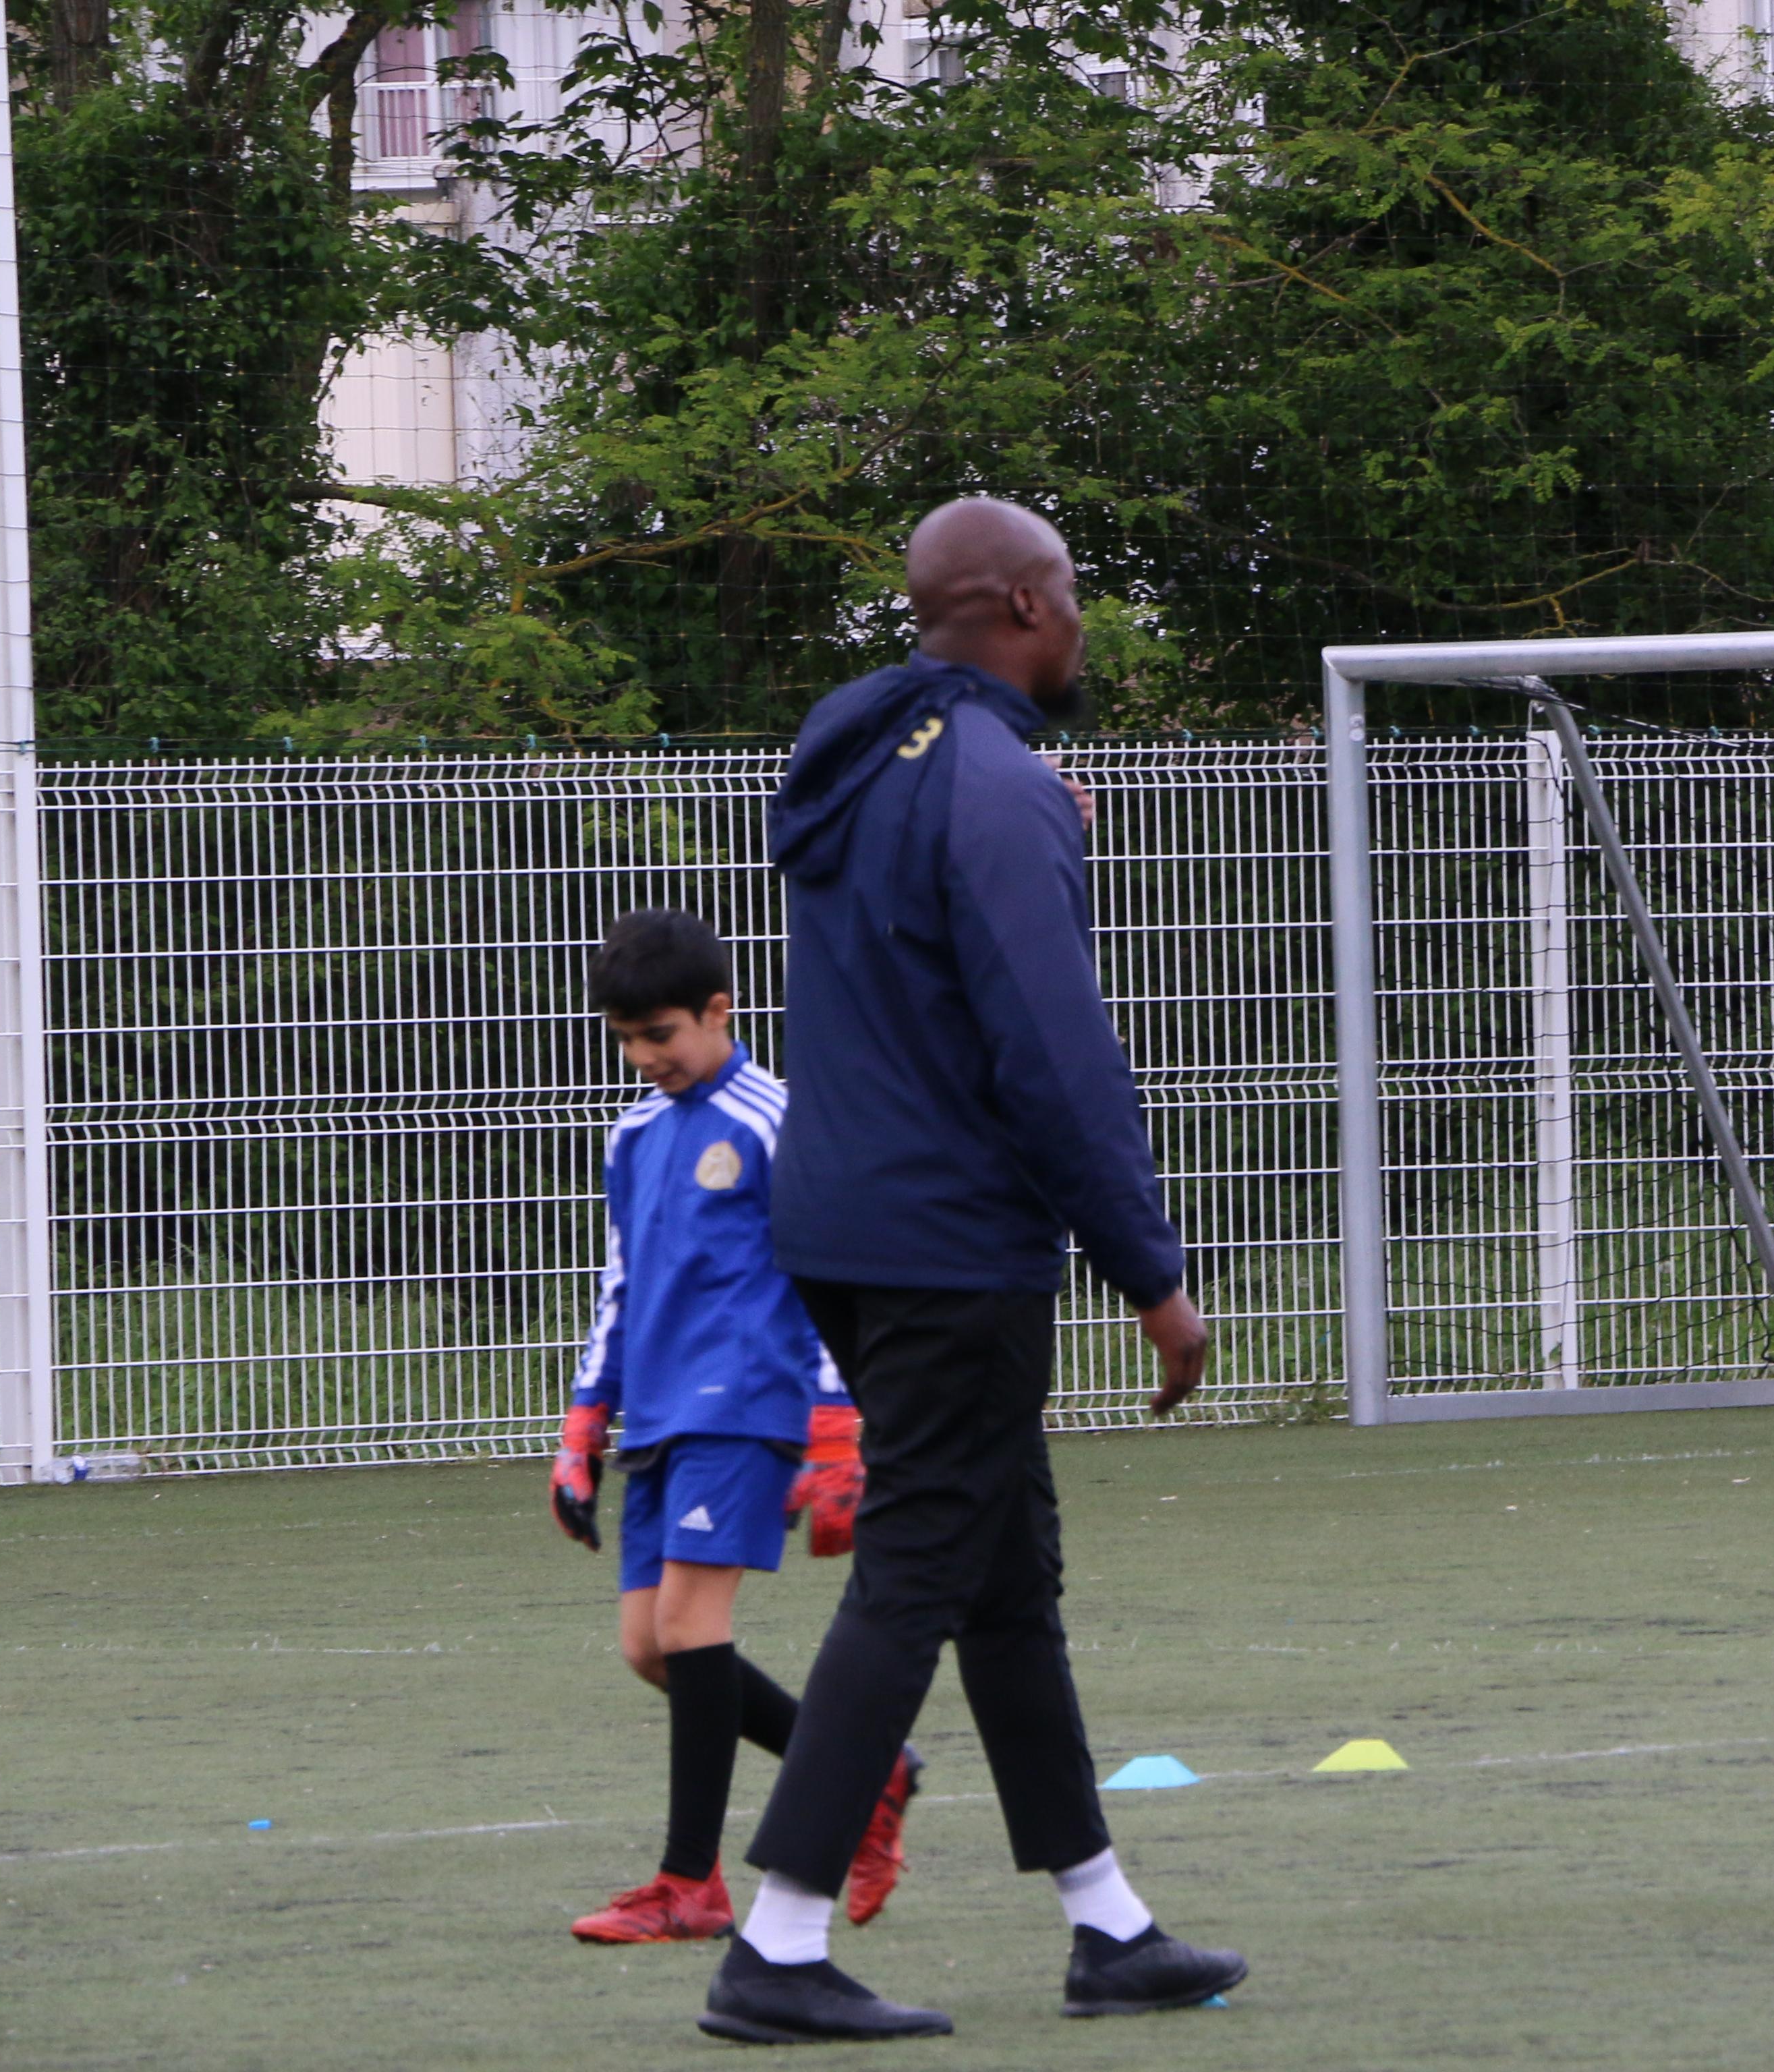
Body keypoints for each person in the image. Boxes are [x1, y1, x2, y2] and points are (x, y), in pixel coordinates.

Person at [696, 497, 1246, 2045]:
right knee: (923, 1572)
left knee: (1005, 1577)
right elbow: (1052, 1051)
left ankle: (1106, 1922)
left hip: (841, 1223)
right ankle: (779, 1945)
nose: (1082, 622)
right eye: (1070, 595)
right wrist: (1150, 1267)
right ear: (1016, 602)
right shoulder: (998, 785)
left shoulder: (866, 757)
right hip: (949, 1242)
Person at [548, 908, 923, 1945]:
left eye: (661, 1034)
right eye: (625, 1038)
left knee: (688, 1629)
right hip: (660, 1419)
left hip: (748, 1408)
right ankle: (869, 1773)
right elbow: (620, 1286)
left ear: (721, 1011)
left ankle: (690, 1885)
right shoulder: (633, 1134)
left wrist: (839, 1428)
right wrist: (585, 1422)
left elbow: (830, 1275)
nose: (644, 1057)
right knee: (647, 1648)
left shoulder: (775, 1119)